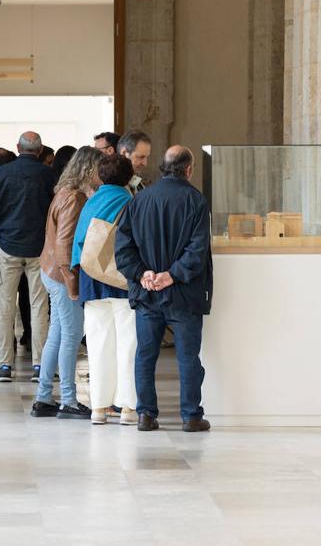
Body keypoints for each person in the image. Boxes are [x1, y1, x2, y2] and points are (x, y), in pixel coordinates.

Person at [115, 145, 213, 432]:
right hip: (184, 293)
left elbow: (122, 248)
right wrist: (172, 275)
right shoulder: (196, 201)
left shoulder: (139, 200)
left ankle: (146, 414)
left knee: (145, 354)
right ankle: (191, 416)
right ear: (189, 169)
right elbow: (197, 249)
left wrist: (142, 274)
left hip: (147, 293)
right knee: (188, 356)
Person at [33, 146, 103, 419]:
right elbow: (64, 246)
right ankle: (69, 400)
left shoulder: (64, 192)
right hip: (62, 275)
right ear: (88, 169)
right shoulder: (74, 198)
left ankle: (43, 398)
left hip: (50, 270)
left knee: (58, 334)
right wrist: (73, 287)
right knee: (71, 336)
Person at [0, 131, 55, 382]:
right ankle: (39, 365)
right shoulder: (48, 174)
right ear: (41, 149)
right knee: (39, 308)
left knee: (5, 309)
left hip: (9, 247)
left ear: (18, 147)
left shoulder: (1, 173)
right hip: (39, 250)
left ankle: (5, 366)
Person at [72, 154, 136, 425]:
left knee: (98, 344)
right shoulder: (131, 202)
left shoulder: (90, 203)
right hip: (122, 279)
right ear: (129, 177)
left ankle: (98, 407)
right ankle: (128, 408)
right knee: (128, 344)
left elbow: (78, 245)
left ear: (100, 177)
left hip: (92, 280)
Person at [117, 129, 152, 195]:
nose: (145, 163)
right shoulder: (113, 183)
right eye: (140, 157)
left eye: (146, 157)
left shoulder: (137, 181)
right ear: (124, 153)